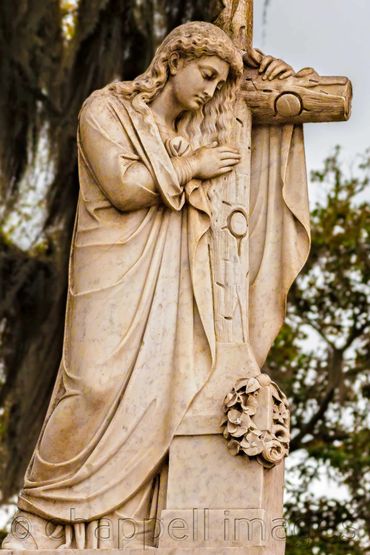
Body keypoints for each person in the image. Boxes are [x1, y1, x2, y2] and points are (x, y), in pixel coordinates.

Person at [3, 21, 309, 550]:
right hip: (111, 265)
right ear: (173, 61)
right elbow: (123, 187)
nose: (210, 90)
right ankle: (40, 517)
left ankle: (131, 520)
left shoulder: (198, 131)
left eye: (218, 83)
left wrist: (273, 80)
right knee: (93, 385)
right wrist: (194, 165)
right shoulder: (106, 111)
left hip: (175, 276)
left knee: (171, 382)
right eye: (207, 74)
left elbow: (250, 141)